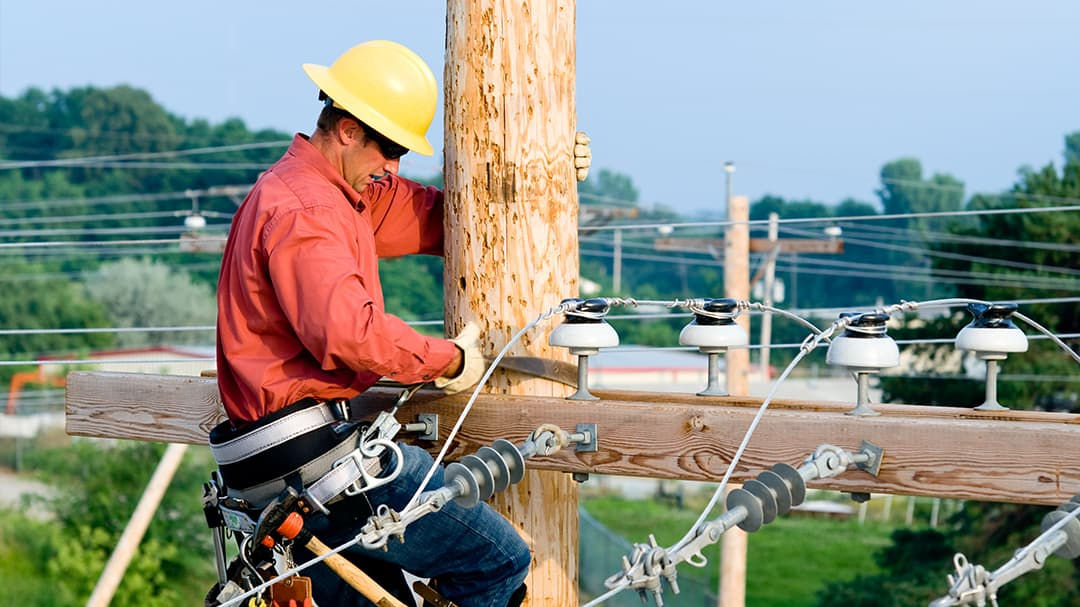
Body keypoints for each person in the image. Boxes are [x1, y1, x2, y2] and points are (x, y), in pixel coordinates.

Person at [215, 40, 588, 607]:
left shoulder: (332, 197)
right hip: (315, 464)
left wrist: (551, 170)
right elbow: (351, 335)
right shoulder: (309, 212)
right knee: (498, 563)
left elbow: (455, 219)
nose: (392, 166)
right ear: (344, 128)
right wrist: (451, 360)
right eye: (387, 146)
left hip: (280, 473)